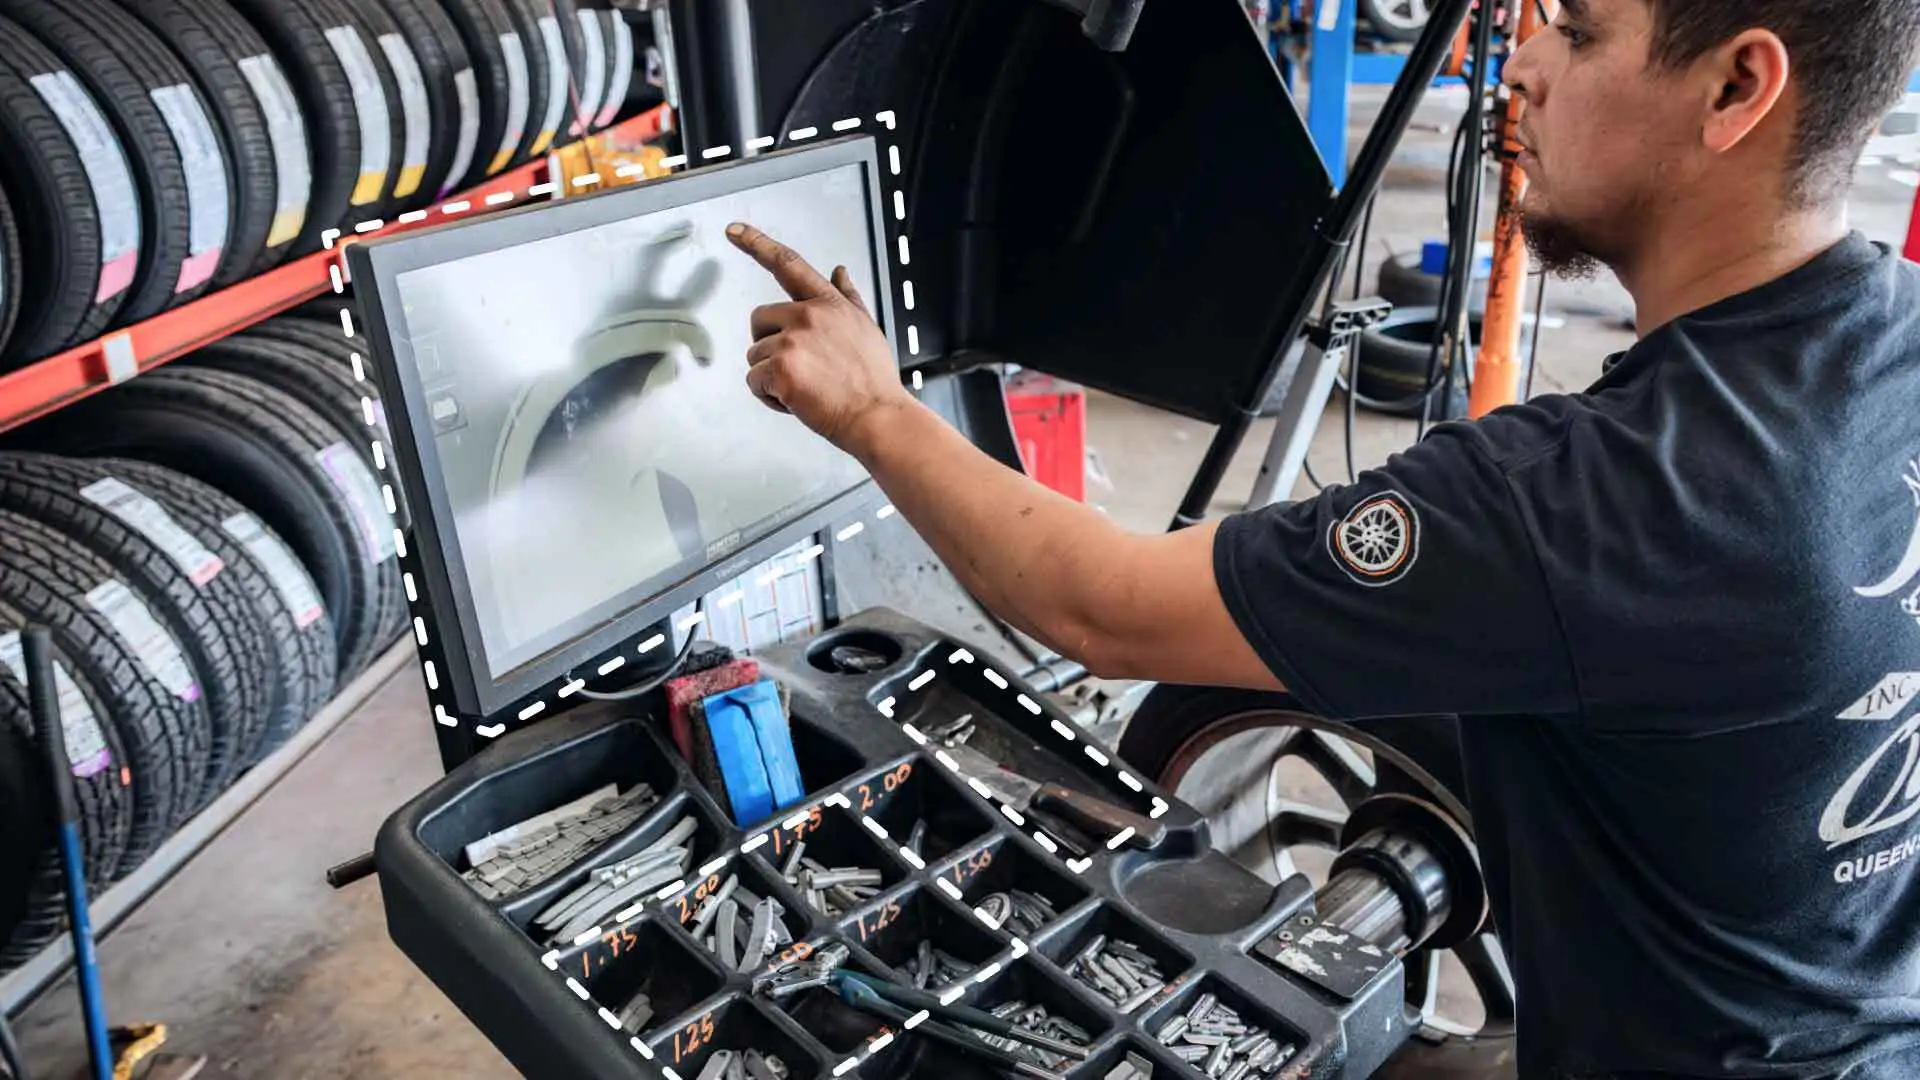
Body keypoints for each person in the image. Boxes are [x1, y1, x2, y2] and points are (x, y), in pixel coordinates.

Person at [725, 0, 1920, 1075]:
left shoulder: (1603, 498)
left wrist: (872, 408)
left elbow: (1100, 608)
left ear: (1736, 89)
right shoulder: (1898, 337)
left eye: (1582, 30)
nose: (1526, 67)